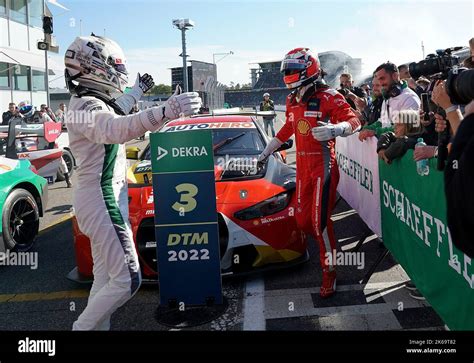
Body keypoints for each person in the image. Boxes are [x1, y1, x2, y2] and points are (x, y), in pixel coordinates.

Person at [64, 34, 201, 330]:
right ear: (94, 67)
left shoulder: (87, 101)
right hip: (101, 200)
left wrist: (138, 91)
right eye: (113, 65)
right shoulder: (86, 104)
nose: (118, 72)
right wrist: (167, 110)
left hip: (99, 199)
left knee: (105, 279)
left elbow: (117, 112)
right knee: (128, 278)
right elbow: (115, 128)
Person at [258, 48, 360, 298]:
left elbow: (355, 121)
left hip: (323, 167)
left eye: (293, 70)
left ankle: (330, 272)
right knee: (303, 222)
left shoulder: (329, 96)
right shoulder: (292, 100)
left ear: (308, 69)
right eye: (287, 70)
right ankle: (324, 236)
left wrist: (336, 129)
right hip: (302, 168)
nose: (289, 75)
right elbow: (287, 129)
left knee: (318, 223)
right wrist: (267, 150)